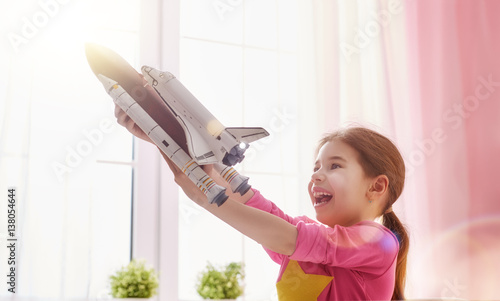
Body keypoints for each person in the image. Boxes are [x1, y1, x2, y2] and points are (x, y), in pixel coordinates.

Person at [115, 105, 409, 300]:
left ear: (377, 186)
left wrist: (210, 200)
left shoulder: (380, 242)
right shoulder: (303, 245)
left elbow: (288, 238)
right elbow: (245, 200)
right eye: (315, 167)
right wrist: (159, 137)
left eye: (334, 166)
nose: (317, 176)